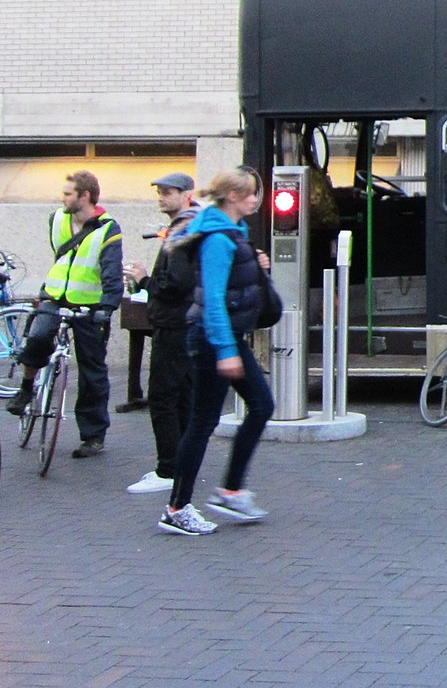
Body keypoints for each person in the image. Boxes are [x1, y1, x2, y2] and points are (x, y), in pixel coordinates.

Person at [160, 168, 276, 536]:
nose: (255, 199)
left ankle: (230, 490)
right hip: (213, 339)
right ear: (231, 198)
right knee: (202, 422)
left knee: (261, 406)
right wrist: (226, 351)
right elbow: (212, 299)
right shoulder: (217, 240)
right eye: (249, 194)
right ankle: (177, 508)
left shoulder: (232, 233)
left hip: (226, 339)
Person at [5, 170, 123, 459]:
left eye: (68, 193)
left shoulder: (108, 228)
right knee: (38, 336)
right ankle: (26, 388)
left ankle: (93, 436)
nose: (63, 198)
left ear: (85, 195)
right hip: (55, 296)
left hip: (89, 306)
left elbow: (111, 271)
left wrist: (107, 307)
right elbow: (60, 257)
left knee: (93, 370)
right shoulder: (57, 218)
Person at [121, 172, 201, 494]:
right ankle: (181, 464)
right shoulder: (188, 226)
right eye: (159, 192)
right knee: (182, 397)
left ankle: (168, 469)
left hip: (174, 325)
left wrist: (143, 279)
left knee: (164, 397)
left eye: (167, 192)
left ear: (185, 195)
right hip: (184, 324)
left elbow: (176, 284)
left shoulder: (184, 230)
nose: (161, 197)